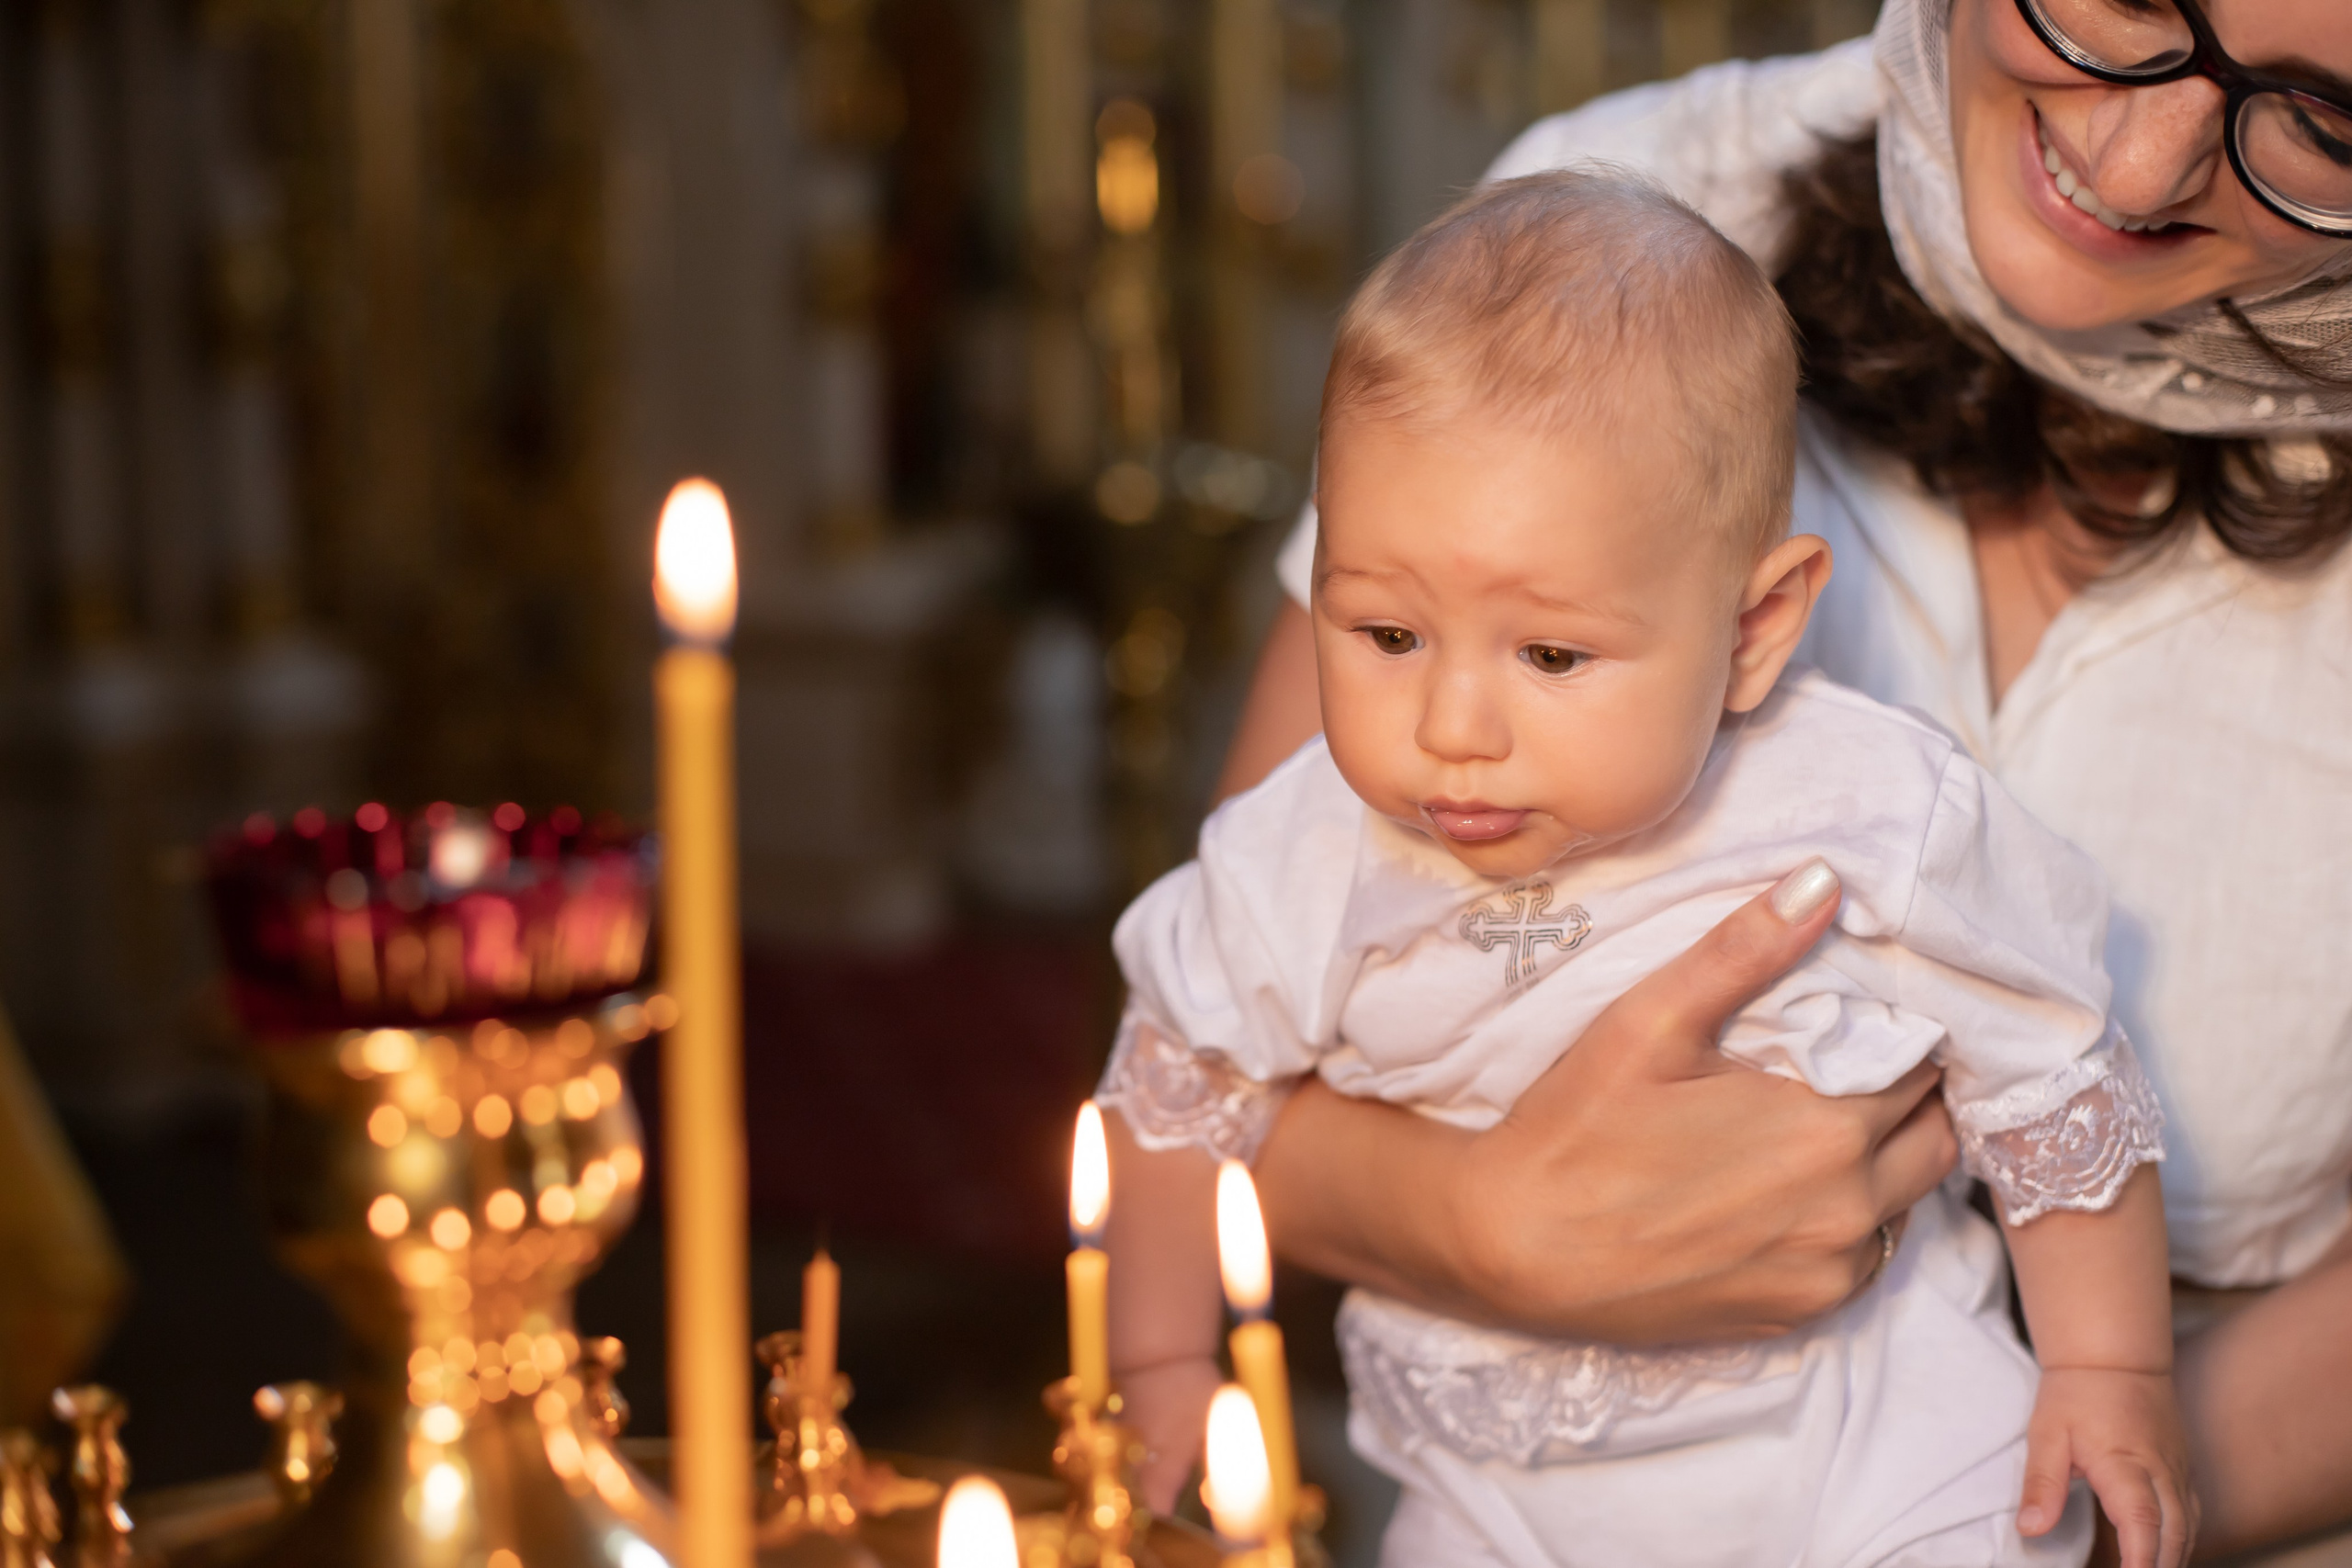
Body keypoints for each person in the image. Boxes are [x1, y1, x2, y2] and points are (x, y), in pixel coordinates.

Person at [1101, 0, 2352, 1561]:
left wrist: (2106, 1391)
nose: (2138, 154)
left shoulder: (1858, 803)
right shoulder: (1589, 248)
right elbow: (1180, 1079)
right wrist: (1201, 1343)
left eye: (2321, 114)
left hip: (1881, 1450)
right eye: (2125, 3)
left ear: (1761, 627)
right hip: (1492, 1472)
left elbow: (2053, 1067)